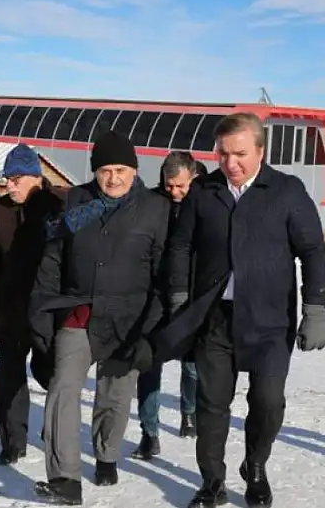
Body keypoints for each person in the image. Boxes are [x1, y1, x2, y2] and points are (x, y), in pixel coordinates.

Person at [151, 111, 325, 508]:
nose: (230, 163)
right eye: (223, 154)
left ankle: (256, 465)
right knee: (211, 405)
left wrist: (315, 307)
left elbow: (313, 250)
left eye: (240, 154)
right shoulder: (205, 191)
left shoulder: (285, 191)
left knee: (268, 402)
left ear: (261, 151)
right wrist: (180, 299)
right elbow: (181, 246)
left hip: (269, 320)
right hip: (215, 319)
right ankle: (212, 482)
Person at [28, 130, 172, 505]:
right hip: (79, 312)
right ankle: (64, 479)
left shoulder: (156, 209)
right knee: (63, 387)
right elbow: (55, 256)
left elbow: (164, 275)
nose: (112, 178)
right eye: (105, 170)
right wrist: (43, 305)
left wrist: (152, 330)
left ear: (135, 169)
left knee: (115, 395)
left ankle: (107, 455)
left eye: (120, 169)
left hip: (129, 319)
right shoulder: (77, 199)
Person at [0, 143, 66, 466]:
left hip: (48, 311)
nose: (10, 185)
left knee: (51, 374)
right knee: (8, 376)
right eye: (7, 178)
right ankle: (13, 442)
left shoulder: (58, 205)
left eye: (16, 178)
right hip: (10, 309)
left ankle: (55, 430)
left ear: (35, 177)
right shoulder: (0, 210)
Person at [131, 151, 202, 461]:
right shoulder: (151, 203)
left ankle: (189, 412)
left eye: (181, 187)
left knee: (192, 362)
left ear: (194, 178)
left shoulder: (206, 202)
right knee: (147, 361)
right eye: (169, 186)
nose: (174, 192)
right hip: (153, 294)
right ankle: (150, 433)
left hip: (191, 292)